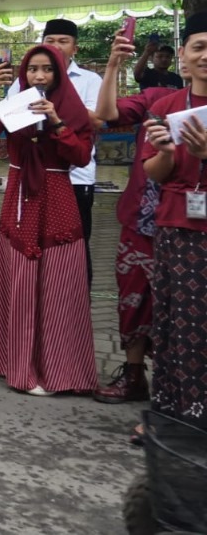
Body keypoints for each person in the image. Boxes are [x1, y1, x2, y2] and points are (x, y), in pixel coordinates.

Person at [0, 44, 96, 396]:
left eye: (47, 70)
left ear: (58, 74)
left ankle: (60, 370)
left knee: (58, 282)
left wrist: (57, 121)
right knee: (20, 277)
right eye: (33, 70)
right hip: (19, 194)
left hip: (57, 195)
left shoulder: (72, 109)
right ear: (24, 74)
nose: (40, 76)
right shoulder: (16, 103)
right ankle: (17, 365)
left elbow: (80, 156)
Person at [94, 30, 175, 407]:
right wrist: (113, 63)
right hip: (141, 222)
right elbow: (108, 114)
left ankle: (175, 388)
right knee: (133, 299)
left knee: (182, 309)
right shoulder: (158, 99)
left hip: (189, 228)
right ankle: (133, 376)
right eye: (198, 48)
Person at [138, 10, 207, 430]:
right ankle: (171, 414)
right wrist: (166, 152)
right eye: (199, 48)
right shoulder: (167, 106)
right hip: (178, 229)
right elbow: (155, 173)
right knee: (176, 322)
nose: (206, 56)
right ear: (182, 56)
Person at [6, 18, 102, 285]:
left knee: (72, 248)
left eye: (64, 41)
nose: (56, 46)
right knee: (30, 245)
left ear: (75, 48)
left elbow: (94, 120)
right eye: (50, 41)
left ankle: (72, 302)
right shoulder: (26, 79)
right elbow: (9, 115)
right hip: (30, 177)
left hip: (75, 178)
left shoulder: (90, 80)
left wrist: (58, 113)